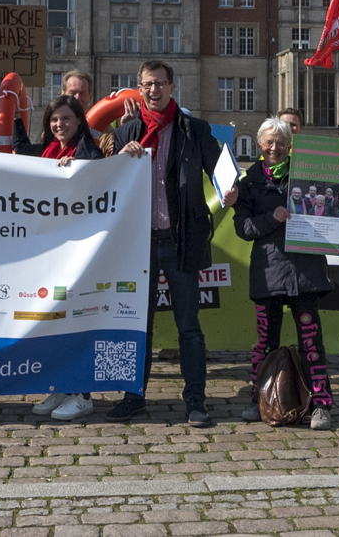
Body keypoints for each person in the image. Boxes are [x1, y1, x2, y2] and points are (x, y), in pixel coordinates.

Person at [109, 58, 224, 425]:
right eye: (147, 84)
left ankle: (195, 401)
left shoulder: (194, 129)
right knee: (136, 325)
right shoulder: (127, 132)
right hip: (138, 245)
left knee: (188, 327)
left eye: (160, 83)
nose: (153, 90)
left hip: (181, 241)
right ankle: (133, 395)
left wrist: (231, 189)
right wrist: (119, 161)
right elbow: (105, 186)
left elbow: (221, 169)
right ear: (139, 89)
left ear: (172, 88)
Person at [225, 117, 336, 429]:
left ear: (290, 146)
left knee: (311, 341)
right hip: (268, 272)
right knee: (265, 342)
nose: (275, 148)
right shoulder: (248, 183)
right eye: (269, 142)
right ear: (260, 145)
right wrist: (272, 218)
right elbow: (244, 228)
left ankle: (321, 404)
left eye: (281, 142)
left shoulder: (309, 175)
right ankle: (258, 399)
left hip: (306, 271)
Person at [15, 96, 107, 421]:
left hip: (80, 255)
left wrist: (78, 173)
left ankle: (82, 394)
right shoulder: (49, 153)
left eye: (66, 119)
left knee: (78, 322)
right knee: (57, 325)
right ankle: (62, 386)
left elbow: (97, 194)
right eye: (54, 120)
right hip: (53, 253)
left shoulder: (89, 154)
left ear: (80, 121)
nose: (59, 125)